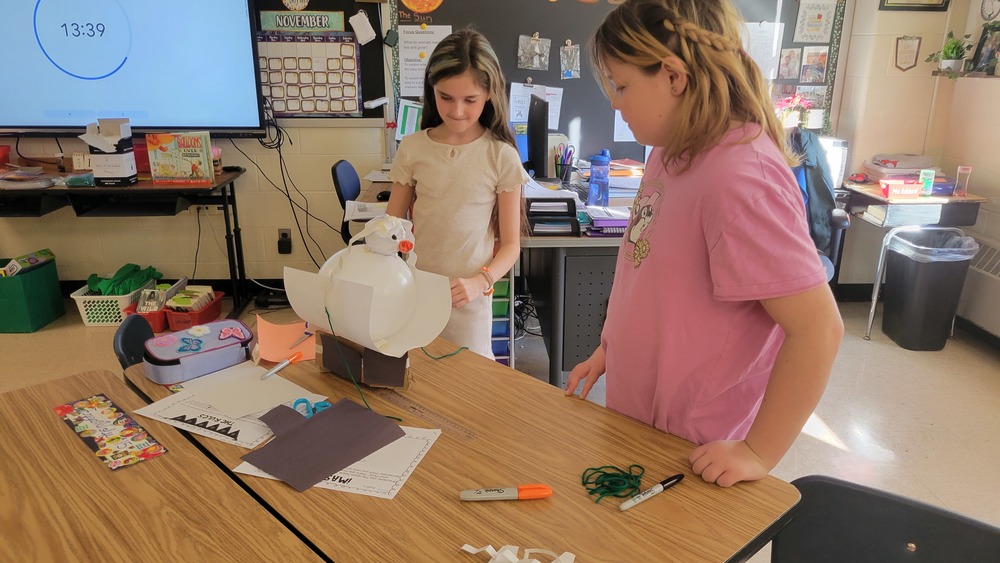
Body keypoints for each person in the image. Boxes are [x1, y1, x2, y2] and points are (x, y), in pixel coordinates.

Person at [565, 0, 844, 487]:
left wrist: (758, 450)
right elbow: (647, 270)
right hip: (640, 417)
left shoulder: (740, 176)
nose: (615, 102)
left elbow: (819, 328)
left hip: (694, 443)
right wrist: (611, 348)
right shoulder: (668, 151)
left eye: (622, 85)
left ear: (673, 77)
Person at [386, 29, 529, 359]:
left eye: (470, 100)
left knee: (468, 386)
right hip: (415, 291)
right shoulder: (413, 148)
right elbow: (391, 223)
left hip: (469, 299)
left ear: (490, 94)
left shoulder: (500, 156)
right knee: (414, 377)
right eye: (445, 97)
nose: (457, 111)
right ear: (431, 91)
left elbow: (510, 245)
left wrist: (481, 281)